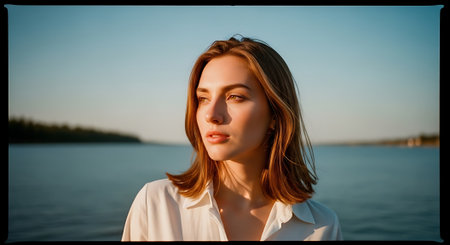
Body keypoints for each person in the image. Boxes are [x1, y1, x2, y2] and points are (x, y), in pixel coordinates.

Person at [121, 35, 343, 241]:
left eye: (235, 97)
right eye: (203, 98)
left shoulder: (322, 226)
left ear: (275, 115)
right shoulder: (156, 203)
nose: (211, 115)